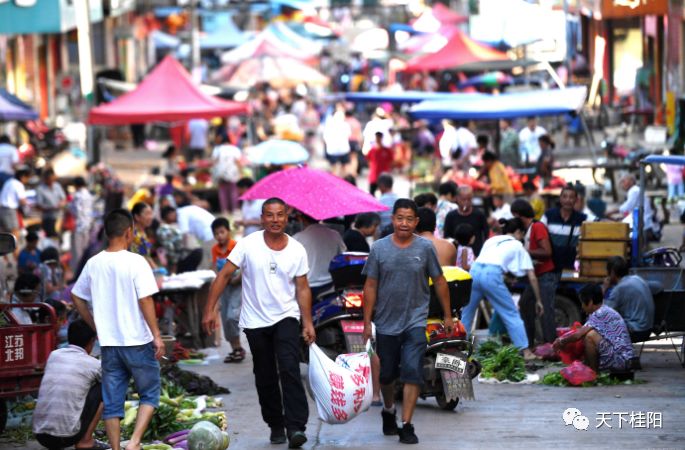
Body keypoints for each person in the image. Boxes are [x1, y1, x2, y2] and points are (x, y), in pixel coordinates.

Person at [202, 198, 314, 448]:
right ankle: (276, 424)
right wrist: (209, 309)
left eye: (280, 215)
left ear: (287, 218)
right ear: (262, 219)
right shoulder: (247, 244)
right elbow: (224, 275)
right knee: (264, 374)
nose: (275, 220)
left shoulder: (297, 249)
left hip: (286, 316)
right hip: (255, 321)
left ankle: (296, 426)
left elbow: (303, 288)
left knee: (289, 368)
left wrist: (307, 322)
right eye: (270, 215)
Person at [361, 198, 452, 444]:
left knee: (412, 372)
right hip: (386, 322)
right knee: (388, 375)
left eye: (409, 219)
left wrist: (447, 315)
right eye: (400, 218)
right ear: (392, 220)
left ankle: (407, 424)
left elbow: (440, 281)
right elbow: (370, 285)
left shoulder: (424, 248)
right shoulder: (379, 248)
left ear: (417, 222)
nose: (404, 223)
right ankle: (389, 409)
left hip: (415, 320)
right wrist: (367, 322)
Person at [72, 209, 164, 450]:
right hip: (137, 341)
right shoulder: (136, 261)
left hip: (110, 345)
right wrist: (156, 335)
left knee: (112, 402)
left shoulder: (93, 263)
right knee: (150, 393)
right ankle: (133, 443)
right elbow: (146, 300)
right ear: (129, 232)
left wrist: (95, 325)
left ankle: (115, 448)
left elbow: (76, 296)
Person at [460, 218, 542, 360]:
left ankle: (458, 349)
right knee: (511, 314)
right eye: (522, 235)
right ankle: (526, 351)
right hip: (491, 274)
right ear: (518, 232)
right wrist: (539, 300)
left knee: (466, 313)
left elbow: (486, 261)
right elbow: (532, 277)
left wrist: (505, 278)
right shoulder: (517, 245)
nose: (522, 238)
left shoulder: (491, 240)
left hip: (474, 272)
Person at [32, 319, 106, 450]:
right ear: (92, 341)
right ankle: (86, 440)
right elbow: (111, 380)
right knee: (105, 388)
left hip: (40, 435)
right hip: (66, 438)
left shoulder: (54, 355)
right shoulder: (93, 364)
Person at [553, 284, 634, 372]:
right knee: (587, 334)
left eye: (583, 303)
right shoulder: (604, 310)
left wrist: (561, 342)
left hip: (622, 360)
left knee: (589, 336)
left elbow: (577, 336)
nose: (582, 307)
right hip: (623, 359)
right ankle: (589, 367)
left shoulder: (600, 313)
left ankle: (592, 372)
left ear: (590, 302)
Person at [511, 199, 557, 346]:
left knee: (545, 311)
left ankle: (551, 346)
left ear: (520, 215)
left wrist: (526, 252)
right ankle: (529, 343)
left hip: (546, 275)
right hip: (537, 276)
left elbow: (547, 251)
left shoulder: (537, 227)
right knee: (525, 304)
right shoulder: (527, 229)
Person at [210, 218, 244, 363]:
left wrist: (236, 279)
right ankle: (235, 349)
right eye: (216, 234)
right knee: (224, 318)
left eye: (222, 232)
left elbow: (244, 268)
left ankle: (238, 348)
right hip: (224, 287)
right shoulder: (215, 250)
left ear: (228, 232)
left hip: (237, 286)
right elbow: (214, 268)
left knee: (232, 316)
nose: (220, 236)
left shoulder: (236, 246)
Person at [293, 213, 346, 299]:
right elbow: (342, 255)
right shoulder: (335, 235)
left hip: (307, 286)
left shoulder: (297, 239)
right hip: (330, 286)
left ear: (301, 219)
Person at [603, 256, 654, 342]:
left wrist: (604, 289)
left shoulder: (619, 289)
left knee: (600, 329)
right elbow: (658, 286)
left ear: (612, 272)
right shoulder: (637, 279)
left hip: (637, 332)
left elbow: (604, 314)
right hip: (648, 329)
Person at [541, 185, 586, 273]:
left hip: (569, 267)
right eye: (565, 197)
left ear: (576, 200)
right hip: (549, 268)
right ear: (560, 199)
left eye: (571, 197)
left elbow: (599, 222)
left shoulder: (582, 218)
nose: (568, 200)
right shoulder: (548, 215)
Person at [606, 174, 658, 241]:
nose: (622, 184)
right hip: (642, 223)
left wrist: (611, 211)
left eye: (624, 181)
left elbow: (627, 207)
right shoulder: (634, 190)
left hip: (644, 225)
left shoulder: (634, 190)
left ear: (631, 181)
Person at [443, 186, 489, 256]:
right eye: (463, 199)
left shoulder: (479, 215)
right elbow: (447, 237)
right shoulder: (451, 216)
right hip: (456, 256)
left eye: (469, 199)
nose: (466, 202)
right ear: (457, 198)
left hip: (476, 256)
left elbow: (486, 234)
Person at [156, 206, 203, 274]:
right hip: (195, 251)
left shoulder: (164, 229)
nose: (176, 215)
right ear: (167, 215)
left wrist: (174, 265)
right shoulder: (166, 229)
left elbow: (170, 248)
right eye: (173, 213)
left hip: (189, 254)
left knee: (185, 277)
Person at [211, 136, 242, 215]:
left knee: (222, 192)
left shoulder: (217, 149)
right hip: (232, 173)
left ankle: (224, 210)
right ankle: (234, 209)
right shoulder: (234, 149)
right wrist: (240, 172)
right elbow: (237, 161)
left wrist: (214, 173)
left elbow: (214, 162)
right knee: (233, 191)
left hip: (220, 173)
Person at [70, 177, 94, 272]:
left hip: (79, 226)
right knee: (85, 252)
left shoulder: (77, 195)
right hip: (87, 226)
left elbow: (75, 211)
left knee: (77, 253)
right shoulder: (89, 195)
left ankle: (78, 273)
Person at [36, 168, 67, 237]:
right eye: (50, 179)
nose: (51, 181)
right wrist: (52, 208)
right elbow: (39, 205)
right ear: (46, 179)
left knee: (59, 237)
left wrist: (61, 204)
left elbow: (63, 198)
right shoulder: (40, 189)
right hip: (48, 218)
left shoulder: (57, 186)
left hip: (59, 216)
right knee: (50, 237)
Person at [0, 167, 29, 237]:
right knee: (15, 233)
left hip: (2, 209)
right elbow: (22, 201)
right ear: (23, 177)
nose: (27, 180)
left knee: (4, 233)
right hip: (9, 210)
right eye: (27, 178)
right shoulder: (18, 184)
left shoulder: (9, 182)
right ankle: (14, 248)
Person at [130, 202, 156, 269]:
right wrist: (157, 271)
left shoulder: (143, 232)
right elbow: (145, 256)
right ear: (137, 217)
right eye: (147, 214)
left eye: (151, 213)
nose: (151, 217)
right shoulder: (134, 234)